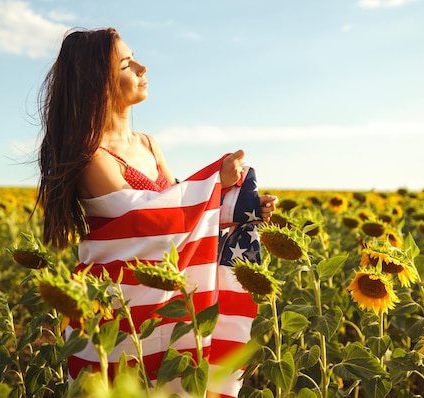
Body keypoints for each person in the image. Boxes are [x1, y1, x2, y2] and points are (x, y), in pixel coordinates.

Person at [36, 27, 277, 396]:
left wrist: (237, 207)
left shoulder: (148, 144)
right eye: (127, 64)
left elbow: (182, 213)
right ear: (97, 82)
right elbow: (144, 222)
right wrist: (214, 178)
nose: (143, 68)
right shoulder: (89, 155)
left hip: (168, 296)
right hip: (118, 309)